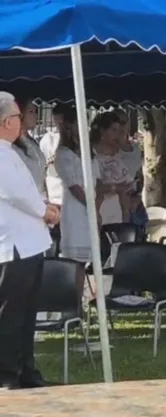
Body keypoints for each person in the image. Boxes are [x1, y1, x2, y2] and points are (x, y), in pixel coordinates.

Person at [0, 91, 57, 390]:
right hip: (13, 246)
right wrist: (44, 210)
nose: (22, 122)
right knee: (11, 314)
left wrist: (43, 206)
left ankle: (26, 369)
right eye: (19, 117)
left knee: (26, 313)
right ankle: (7, 373)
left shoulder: (11, 150)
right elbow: (15, 193)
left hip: (30, 243)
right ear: (7, 121)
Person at [55, 109, 102, 263]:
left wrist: (96, 206)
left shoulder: (90, 152)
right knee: (75, 262)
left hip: (92, 205)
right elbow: (73, 185)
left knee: (92, 260)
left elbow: (98, 179)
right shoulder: (63, 153)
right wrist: (90, 206)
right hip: (75, 210)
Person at [91, 112, 133, 226]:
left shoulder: (117, 153)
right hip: (101, 209)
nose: (116, 134)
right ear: (103, 131)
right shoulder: (92, 155)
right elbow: (95, 186)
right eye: (113, 130)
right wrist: (115, 187)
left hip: (117, 210)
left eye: (118, 131)